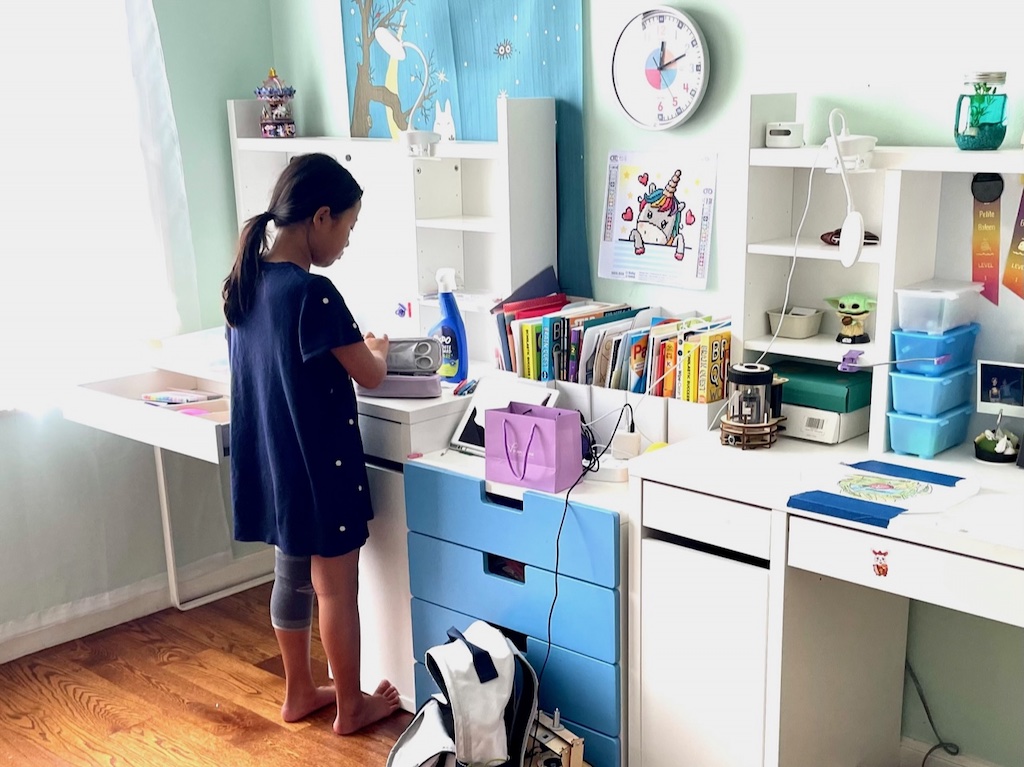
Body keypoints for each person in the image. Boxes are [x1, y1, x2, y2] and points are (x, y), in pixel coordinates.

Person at [221, 153, 399, 734]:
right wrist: (379, 347)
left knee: (290, 576)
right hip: (323, 466)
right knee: (336, 591)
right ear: (321, 217)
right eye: (347, 227)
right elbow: (369, 375)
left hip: (275, 464)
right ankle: (352, 706)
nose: (346, 241)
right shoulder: (313, 293)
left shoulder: (248, 285)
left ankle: (299, 691)